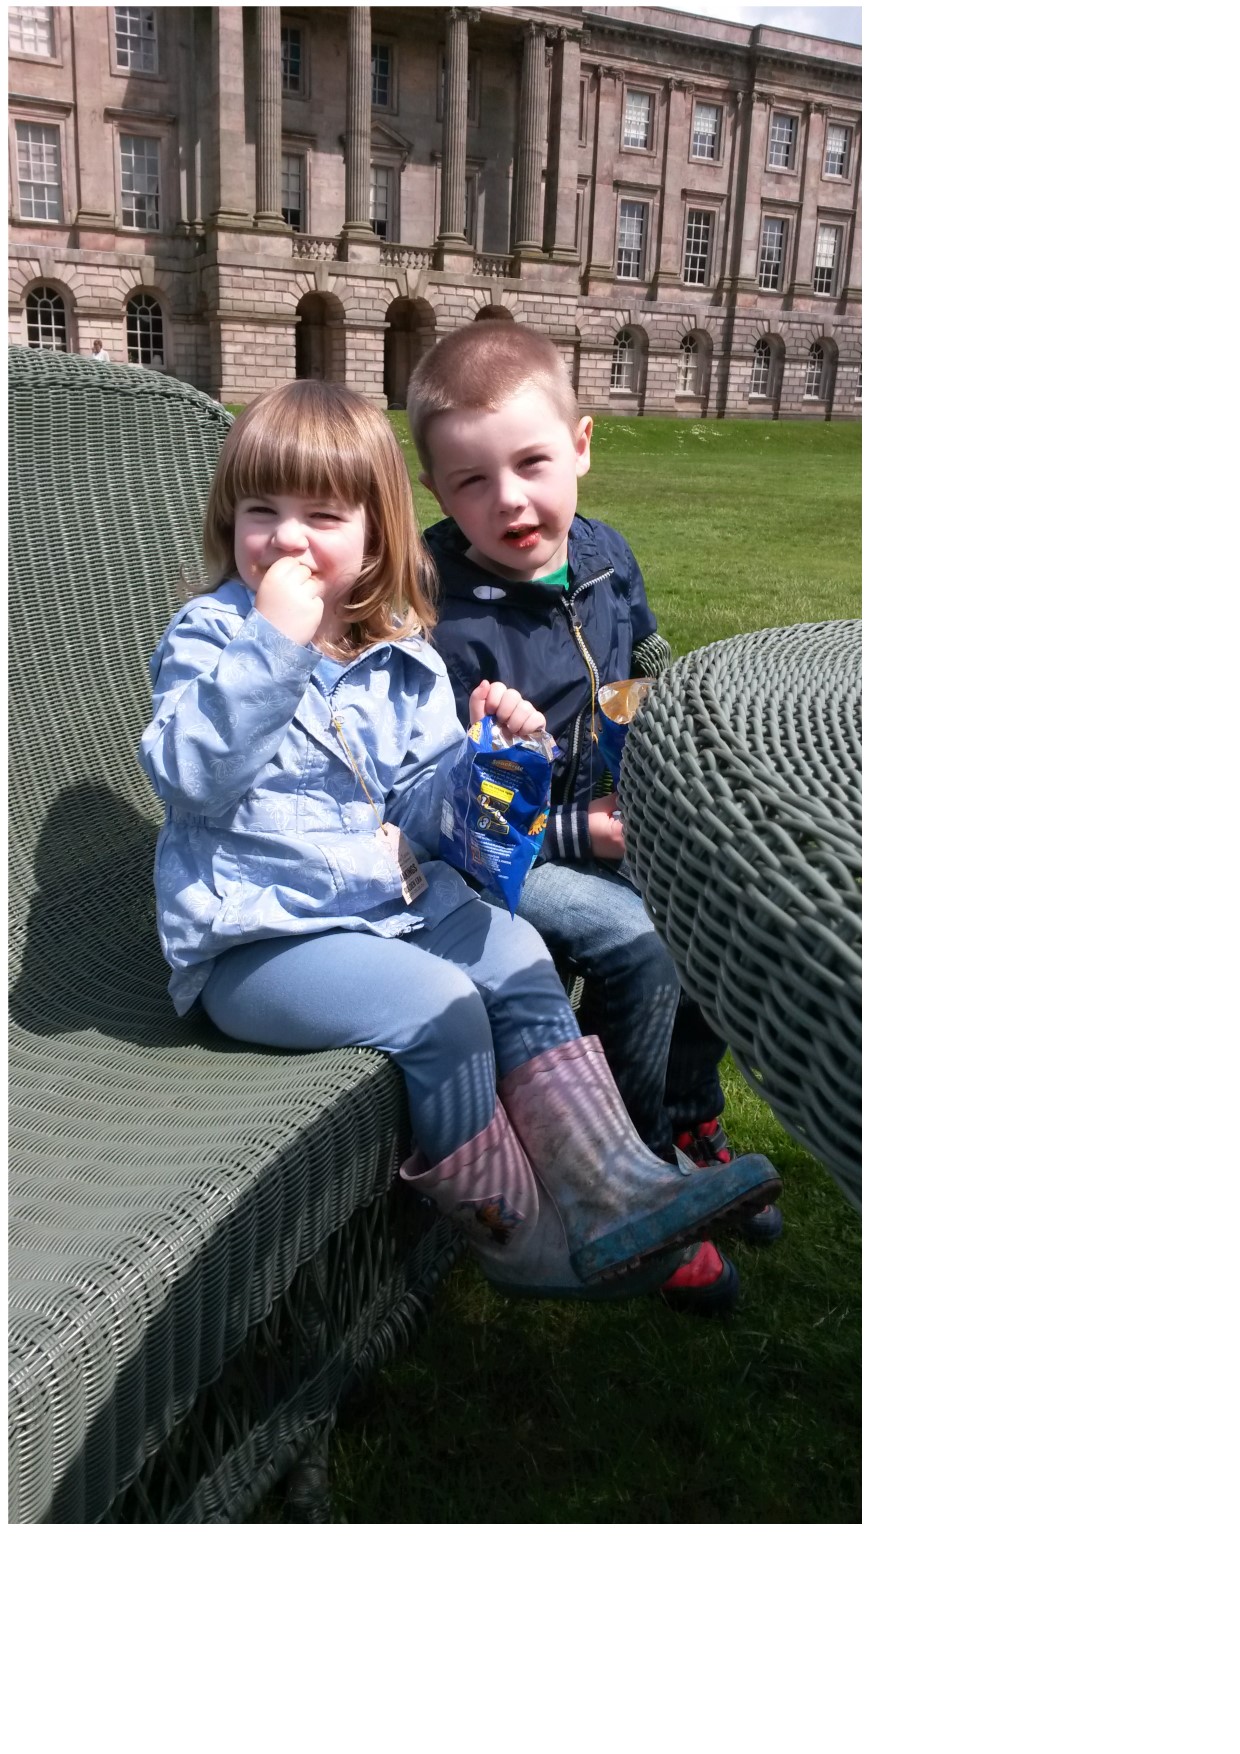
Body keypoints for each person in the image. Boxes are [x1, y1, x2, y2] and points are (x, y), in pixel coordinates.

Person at [140, 380, 780, 1314]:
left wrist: (491, 755)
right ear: (227, 521)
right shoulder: (214, 637)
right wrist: (274, 644)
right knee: (441, 1007)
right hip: (262, 941)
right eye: (260, 512)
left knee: (516, 952)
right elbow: (191, 776)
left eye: (321, 515)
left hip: (387, 907)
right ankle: (517, 1238)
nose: (285, 539)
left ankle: (613, 1194)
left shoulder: (397, 654)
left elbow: (430, 808)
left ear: (374, 536)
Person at [408, 323, 783, 1244]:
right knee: (637, 939)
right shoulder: (434, 607)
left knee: (719, 904)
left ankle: (693, 1118)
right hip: (491, 862)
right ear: (435, 490)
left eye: (533, 462)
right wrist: (581, 834)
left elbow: (644, 663)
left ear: (580, 445)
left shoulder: (606, 554)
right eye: (471, 482)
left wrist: (675, 737)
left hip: (609, 813)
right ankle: (639, 1172)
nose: (511, 501)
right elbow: (453, 802)